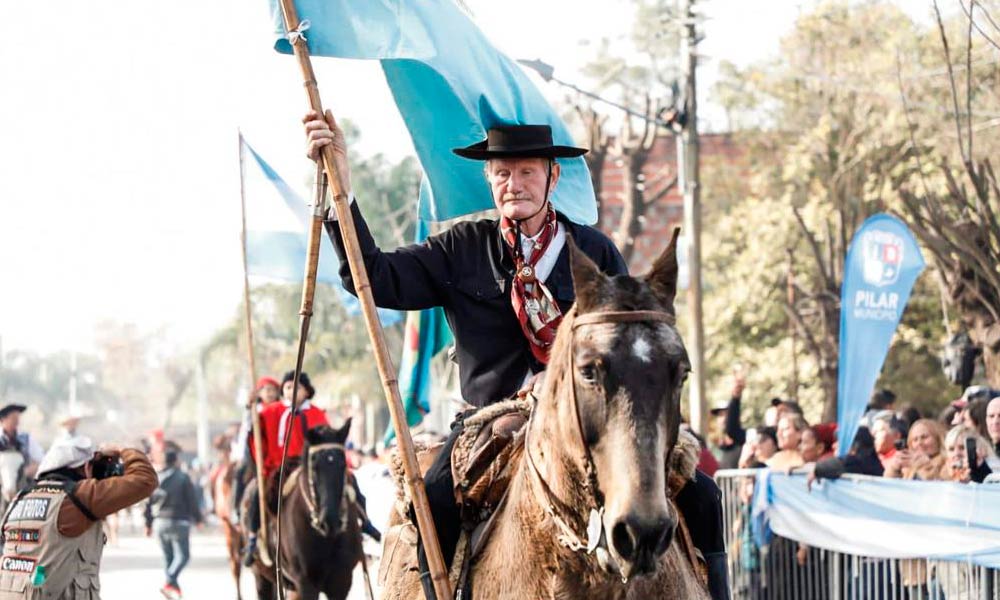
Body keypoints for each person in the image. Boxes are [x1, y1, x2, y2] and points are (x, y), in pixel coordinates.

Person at [305, 111, 731, 598]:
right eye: (502, 174)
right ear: (489, 180)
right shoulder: (461, 249)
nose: (514, 184)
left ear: (552, 176)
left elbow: (625, 350)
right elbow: (377, 276)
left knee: (703, 497)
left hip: (589, 420)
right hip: (492, 421)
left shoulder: (595, 252)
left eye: (527, 171)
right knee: (435, 505)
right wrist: (341, 192)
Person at [0, 436, 156, 598]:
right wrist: (122, 450)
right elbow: (145, 479)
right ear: (86, 467)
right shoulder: (79, 495)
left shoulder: (20, 498)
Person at [242, 371, 329, 565]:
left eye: (297, 387)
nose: (291, 391)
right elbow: (255, 430)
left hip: (310, 466)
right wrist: (251, 410)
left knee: (346, 483)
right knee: (258, 492)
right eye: (288, 387)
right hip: (279, 467)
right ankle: (252, 538)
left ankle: (362, 522)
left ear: (307, 391)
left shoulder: (316, 412)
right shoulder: (271, 411)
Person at [144, 449, 203, 599]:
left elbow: (148, 503)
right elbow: (192, 500)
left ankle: (172, 590)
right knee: (183, 557)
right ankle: (169, 580)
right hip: (179, 522)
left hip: (159, 523)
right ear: (176, 460)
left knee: (168, 558)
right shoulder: (183, 477)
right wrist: (198, 519)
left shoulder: (156, 478)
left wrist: (148, 524)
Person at [229, 376, 281, 522]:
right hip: (257, 454)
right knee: (240, 472)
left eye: (273, 390)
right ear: (259, 394)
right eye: (266, 390)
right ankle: (236, 509)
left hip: (278, 453)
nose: (270, 393)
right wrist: (248, 408)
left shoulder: (283, 408)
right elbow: (247, 429)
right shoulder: (254, 410)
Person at [710, 370, 747, 470]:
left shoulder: (741, 439)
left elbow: (732, 428)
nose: (723, 419)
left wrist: (736, 398)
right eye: (719, 415)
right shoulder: (712, 446)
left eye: (726, 414)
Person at [0, 404, 44, 483]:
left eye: (18, 418)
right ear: (3, 420)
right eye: (13, 418)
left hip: (23, 481)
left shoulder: (26, 438)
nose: (17, 421)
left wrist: (32, 468)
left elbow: (40, 458)